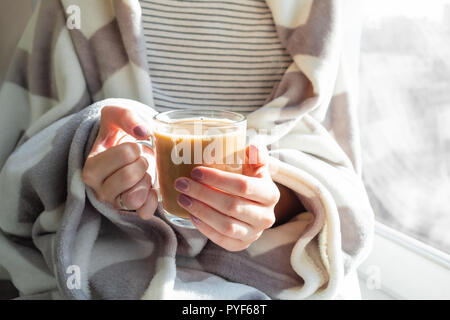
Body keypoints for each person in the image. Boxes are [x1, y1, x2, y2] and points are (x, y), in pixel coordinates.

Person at [0, 0, 373, 300]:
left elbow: (333, 172)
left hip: (271, 274)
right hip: (110, 259)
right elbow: (23, 162)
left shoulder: (319, 14)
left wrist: (272, 202)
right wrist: (87, 144)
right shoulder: (73, 7)